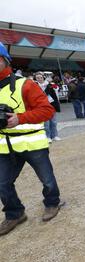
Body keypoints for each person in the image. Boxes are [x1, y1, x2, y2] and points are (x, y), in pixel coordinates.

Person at [0, 41, 64, 236]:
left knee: (47, 180)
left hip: (32, 142)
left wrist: (20, 118)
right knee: (2, 183)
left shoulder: (25, 84)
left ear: (4, 60)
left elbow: (47, 110)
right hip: (5, 146)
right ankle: (14, 213)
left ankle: (52, 202)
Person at [35, 72, 61, 142]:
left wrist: (57, 106)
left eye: (40, 77)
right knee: (46, 123)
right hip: (42, 107)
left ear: (43, 77)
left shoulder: (50, 85)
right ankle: (48, 136)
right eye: (37, 78)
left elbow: (55, 96)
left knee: (53, 122)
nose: (39, 79)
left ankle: (55, 135)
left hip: (51, 106)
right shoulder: (35, 86)